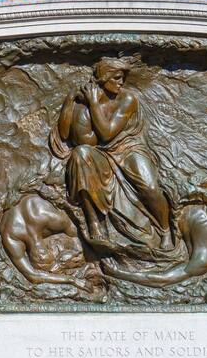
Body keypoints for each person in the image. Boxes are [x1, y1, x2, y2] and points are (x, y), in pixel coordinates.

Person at [48, 58, 174, 257]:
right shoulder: (85, 99)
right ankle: (94, 224)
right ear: (103, 78)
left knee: (149, 187)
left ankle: (166, 231)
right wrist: (70, 100)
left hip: (128, 148)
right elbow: (64, 135)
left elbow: (107, 134)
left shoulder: (127, 99)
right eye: (116, 78)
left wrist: (93, 103)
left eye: (122, 78)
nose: (120, 82)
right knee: (80, 155)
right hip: (101, 152)